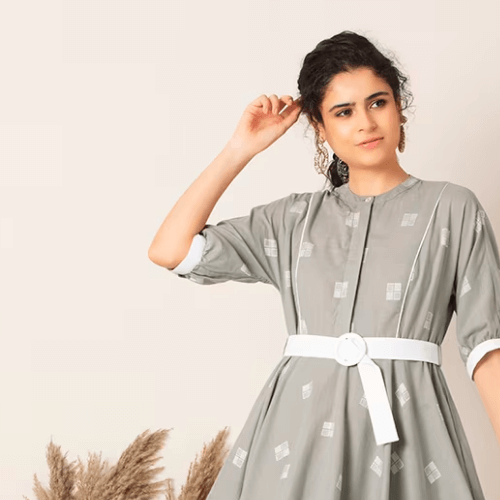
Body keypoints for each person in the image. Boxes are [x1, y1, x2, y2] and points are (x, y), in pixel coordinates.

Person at [148, 31, 500, 499]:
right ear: (320, 126)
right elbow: (171, 250)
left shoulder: (453, 208)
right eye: (343, 112)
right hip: (295, 437)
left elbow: (487, 349)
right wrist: (240, 149)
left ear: (399, 108)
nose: (365, 123)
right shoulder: (293, 220)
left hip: (409, 436)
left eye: (378, 103)